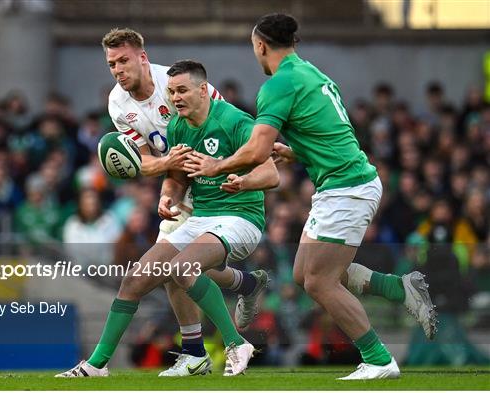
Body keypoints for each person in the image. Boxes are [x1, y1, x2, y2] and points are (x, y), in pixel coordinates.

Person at [184, 13, 438, 380]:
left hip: (346, 187)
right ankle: (400, 288)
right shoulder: (313, 74)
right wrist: (297, 152)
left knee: (320, 281)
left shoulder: (278, 84)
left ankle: (379, 359)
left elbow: (256, 151)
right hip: (343, 182)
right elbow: (331, 134)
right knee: (306, 274)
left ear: (260, 45)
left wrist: (215, 166)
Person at [56, 60, 279, 378]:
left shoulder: (234, 120)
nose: (175, 98)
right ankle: (96, 365)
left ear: (204, 90)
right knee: (135, 281)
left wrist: (237, 179)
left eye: (182, 90)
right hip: (201, 217)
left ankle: (235, 343)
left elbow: (271, 174)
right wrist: (167, 197)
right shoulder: (177, 126)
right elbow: (177, 179)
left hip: (240, 218)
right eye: (171, 91)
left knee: (182, 268)